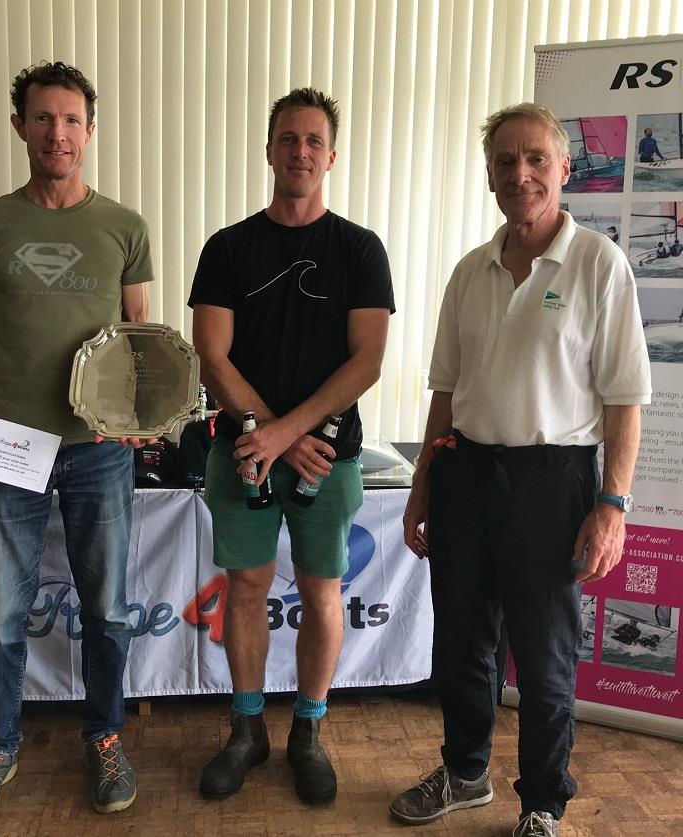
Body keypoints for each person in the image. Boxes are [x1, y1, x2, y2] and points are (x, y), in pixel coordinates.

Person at [389, 103, 651, 837]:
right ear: (491, 175)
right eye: (506, 161)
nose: (521, 173)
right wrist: (421, 489)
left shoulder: (600, 264)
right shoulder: (469, 273)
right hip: (465, 474)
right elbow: (446, 389)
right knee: (463, 640)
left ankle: (542, 801)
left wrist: (613, 503)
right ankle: (466, 772)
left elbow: (626, 397)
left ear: (565, 170)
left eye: (537, 159)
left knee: (544, 655)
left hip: (555, 482)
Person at [0, 61, 154, 832]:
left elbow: (139, 340)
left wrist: (144, 415)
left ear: (90, 131)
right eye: (42, 118)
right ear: (19, 126)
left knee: (109, 609)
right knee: (1, 615)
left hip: (97, 446)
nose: (57, 132)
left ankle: (106, 736)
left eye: (70, 120)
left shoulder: (124, 225)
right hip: (5, 443)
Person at [188, 87, 394, 805]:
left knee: (321, 590)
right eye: (288, 138)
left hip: (326, 458)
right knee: (245, 588)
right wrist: (271, 436)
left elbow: (366, 361)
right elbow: (212, 358)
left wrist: (291, 434)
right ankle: (247, 729)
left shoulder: (360, 249)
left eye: (313, 140)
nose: (300, 151)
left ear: (330, 156)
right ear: (269, 150)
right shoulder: (228, 247)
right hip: (241, 453)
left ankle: (308, 728)